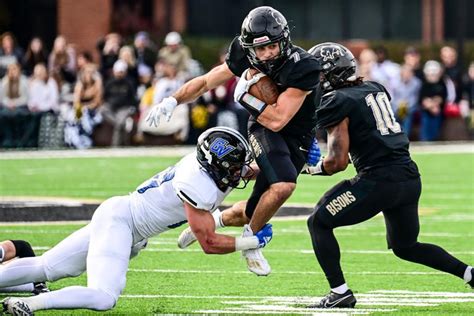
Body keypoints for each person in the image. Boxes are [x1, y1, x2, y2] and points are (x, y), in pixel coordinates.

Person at [0, 127, 273, 315]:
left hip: (120, 217)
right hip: (122, 223)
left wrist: (295, 168)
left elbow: (248, 171)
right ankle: (30, 306)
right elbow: (209, 243)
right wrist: (251, 241)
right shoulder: (196, 184)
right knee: (104, 296)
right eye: (234, 167)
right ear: (216, 165)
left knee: (48, 266)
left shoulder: (210, 166)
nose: (240, 172)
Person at [146, 6, 321, 276]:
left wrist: (246, 97)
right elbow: (206, 81)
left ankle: (215, 221)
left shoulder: (304, 66)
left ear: (284, 40)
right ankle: (252, 242)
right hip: (264, 126)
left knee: (255, 207)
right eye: (259, 50)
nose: (265, 55)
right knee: (284, 184)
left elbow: (281, 119)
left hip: (292, 129)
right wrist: (172, 100)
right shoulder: (244, 51)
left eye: (271, 47)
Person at [303, 42, 473, 309]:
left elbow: (337, 162)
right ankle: (470, 274)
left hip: (378, 180)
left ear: (331, 75)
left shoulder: (337, 100)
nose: (315, 81)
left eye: (319, 75)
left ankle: (340, 292)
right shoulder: (374, 87)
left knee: (318, 222)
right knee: (405, 246)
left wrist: (309, 168)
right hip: (408, 177)